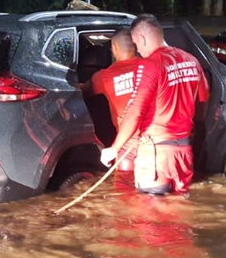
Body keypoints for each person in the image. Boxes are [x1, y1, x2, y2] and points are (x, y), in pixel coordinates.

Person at [100, 14, 209, 195]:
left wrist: (114, 149)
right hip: (183, 152)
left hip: (156, 154)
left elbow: (135, 111)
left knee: (148, 210)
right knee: (177, 206)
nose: (137, 50)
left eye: (136, 44)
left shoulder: (149, 64)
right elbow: (203, 100)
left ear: (142, 39)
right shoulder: (191, 60)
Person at [78, 28, 139, 171]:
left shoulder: (104, 77)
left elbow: (81, 91)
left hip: (127, 144)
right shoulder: (152, 67)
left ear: (114, 48)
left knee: (125, 182)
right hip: (158, 140)